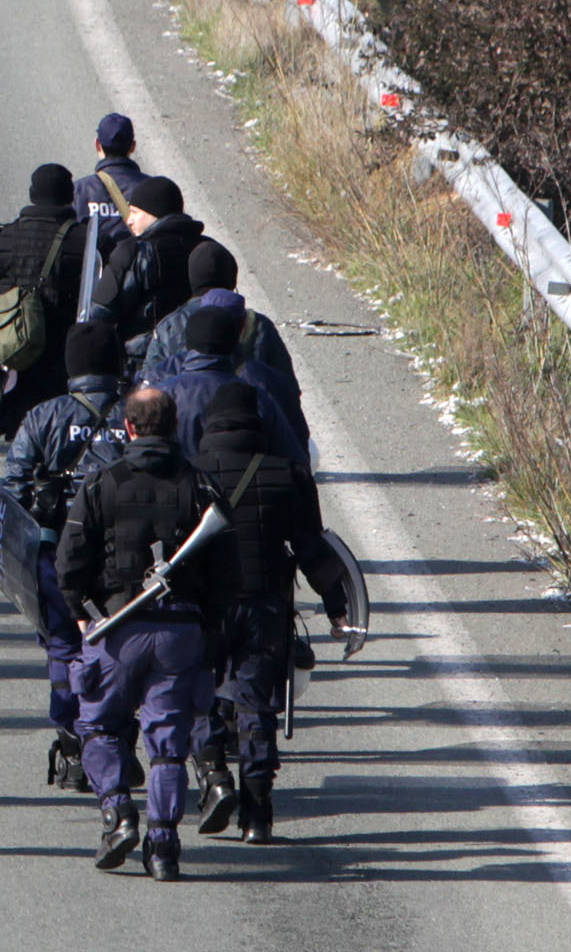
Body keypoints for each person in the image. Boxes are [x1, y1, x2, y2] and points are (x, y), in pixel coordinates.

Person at [57, 392, 232, 879]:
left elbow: (68, 562)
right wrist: (208, 625)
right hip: (181, 635)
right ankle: (163, 848)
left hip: (117, 632)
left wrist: (79, 615)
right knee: (169, 746)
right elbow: (226, 568)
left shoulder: (100, 484)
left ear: (129, 429)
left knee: (96, 726)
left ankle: (117, 814)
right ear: (174, 426)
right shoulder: (200, 485)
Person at [191, 382, 356, 840]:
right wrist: (337, 608)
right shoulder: (288, 474)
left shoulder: (191, 473)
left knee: (198, 696)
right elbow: (312, 548)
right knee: (256, 706)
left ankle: (213, 777)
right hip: (266, 606)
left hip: (205, 610)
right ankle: (258, 813)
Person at [0, 314, 128, 790]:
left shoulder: (43, 415)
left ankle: (74, 744)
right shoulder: (140, 412)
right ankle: (117, 737)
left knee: (64, 650)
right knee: (124, 645)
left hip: (60, 559)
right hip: (129, 558)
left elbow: (11, 493)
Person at [0, 164, 92, 438]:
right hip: (66, 364)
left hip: (16, 361)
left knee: (20, 443)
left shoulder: (1, 238)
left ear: (32, 194)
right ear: (70, 197)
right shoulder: (88, 241)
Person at [141, 294, 310, 463]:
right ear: (240, 331)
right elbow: (296, 453)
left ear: (190, 337)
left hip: (179, 485)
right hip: (246, 483)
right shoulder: (261, 387)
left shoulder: (162, 387)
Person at [89, 177, 208, 343]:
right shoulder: (209, 250)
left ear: (154, 213)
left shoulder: (134, 252)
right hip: (201, 356)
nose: (129, 220)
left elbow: (98, 315)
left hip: (144, 360)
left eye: (135, 212)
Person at [78, 112, 152, 257]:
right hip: (135, 274)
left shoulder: (79, 190)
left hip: (93, 276)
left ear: (97, 144)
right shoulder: (152, 189)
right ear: (133, 146)